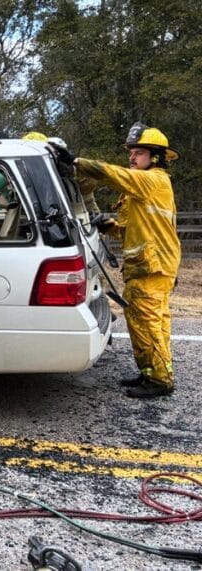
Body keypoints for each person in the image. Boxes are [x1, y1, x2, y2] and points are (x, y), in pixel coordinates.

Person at [74, 122, 180, 398]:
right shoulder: (141, 191)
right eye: (131, 152)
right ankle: (150, 372)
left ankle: (160, 381)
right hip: (147, 267)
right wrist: (107, 224)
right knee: (143, 321)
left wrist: (77, 163)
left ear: (155, 157)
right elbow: (128, 227)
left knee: (148, 322)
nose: (132, 157)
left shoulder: (155, 180)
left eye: (139, 152)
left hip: (152, 268)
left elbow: (115, 175)